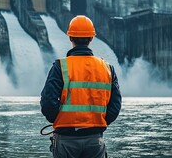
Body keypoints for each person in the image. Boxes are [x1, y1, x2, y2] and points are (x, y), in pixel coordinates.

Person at [40, 15, 122, 158]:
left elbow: (48, 101)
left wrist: (59, 119)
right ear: (91, 38)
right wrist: (100, 121)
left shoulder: (61, 66)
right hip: (95, 140)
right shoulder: (107, 68)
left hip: (66, 140)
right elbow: (115, 104)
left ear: (70, 37)